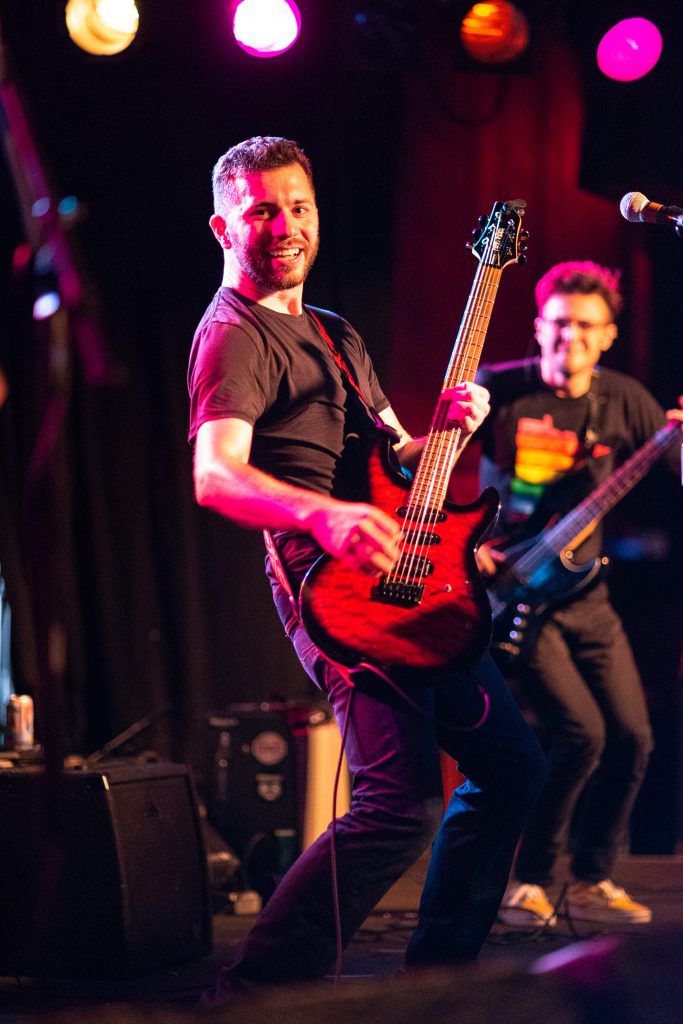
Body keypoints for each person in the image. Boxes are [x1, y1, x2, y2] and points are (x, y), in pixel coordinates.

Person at [187, 135, 546, 1006]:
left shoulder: (334, 332)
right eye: (263, 210)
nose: (284, 226)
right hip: (333, 589)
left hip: (407, 575)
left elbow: (397, 459)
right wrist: (322, 511)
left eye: (298, 207)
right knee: (395, 804)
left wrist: (450, 431)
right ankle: (251, 994)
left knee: (513, 767)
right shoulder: (232, 337)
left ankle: (437, 981)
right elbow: (214, 474)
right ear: (223, 225)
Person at [475, 261, 683, 930]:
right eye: (559, 325)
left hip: (586, 595)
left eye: (585, 327)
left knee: (631, 736)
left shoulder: (624, 400)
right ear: (539, 328)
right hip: (513, 590)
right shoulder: (500, 389)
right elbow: (434, 471)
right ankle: (530, 880)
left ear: (608, 335)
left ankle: (591, 878)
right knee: (578, 734)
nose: (571, 339)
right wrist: (464, 551)